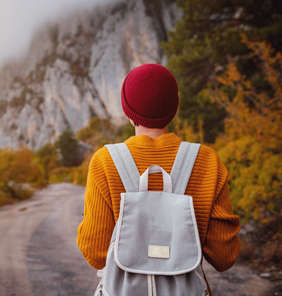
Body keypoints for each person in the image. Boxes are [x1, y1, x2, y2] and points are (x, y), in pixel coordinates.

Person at [76, 63, 240, 273]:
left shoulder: (105, 161)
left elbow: (95, 253)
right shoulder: (207, 161)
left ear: (127, 110)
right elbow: (224, 256)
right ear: (174, 107)